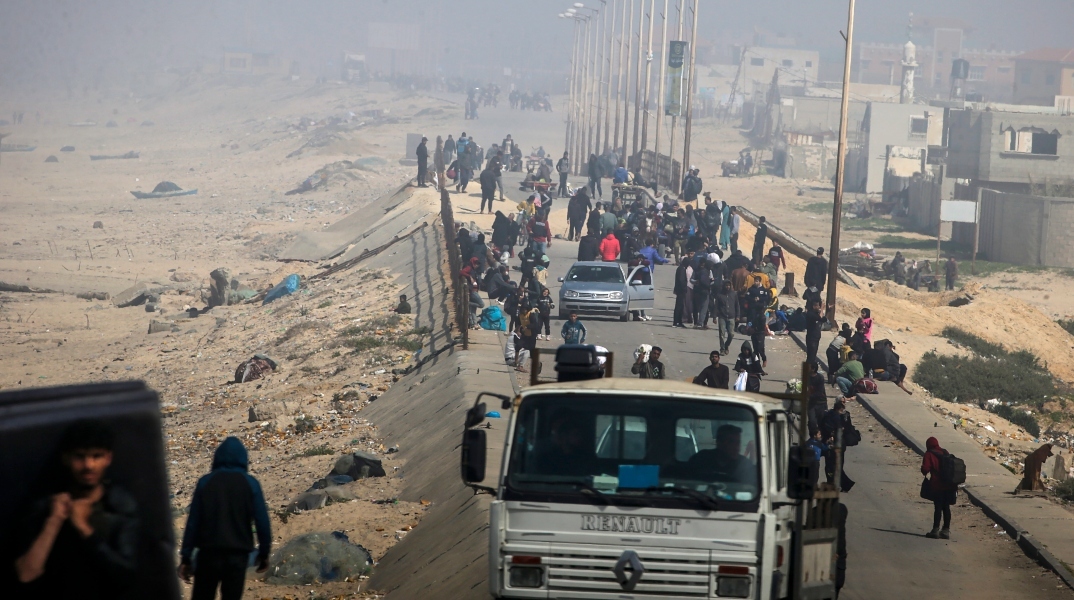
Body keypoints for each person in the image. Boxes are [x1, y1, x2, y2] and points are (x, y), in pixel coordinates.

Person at [13, 420, 138, 598]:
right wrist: (54, 521)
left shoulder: (120, 506)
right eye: (80, 457)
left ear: (108, 459)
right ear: (66, 458)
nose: (88, 465)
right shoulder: (45, 509)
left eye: (96, 456)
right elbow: (26, 574)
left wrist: (84, 529)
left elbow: (127, 576)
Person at [180, 437, 271, 600]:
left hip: (208, 554)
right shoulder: (250, 484)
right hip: (238, 556)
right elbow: (262, 522)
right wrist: (264, 554)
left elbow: (193, 522)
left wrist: (186, 557)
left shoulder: (205, 482)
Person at [921, 437, 957, 539]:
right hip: (949, 485)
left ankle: (935, 530)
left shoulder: (929, 454)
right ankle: (946, 530)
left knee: (938, 507)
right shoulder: (945, 452)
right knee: (946, 507)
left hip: (937, 485)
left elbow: (925, 469)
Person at [714, 280, 739, 355]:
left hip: (731, 317)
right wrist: (714, 317)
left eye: (728, 285)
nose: (727, 287)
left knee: (731, 334)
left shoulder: (734, 294)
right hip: (722, 317)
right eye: (726, 285)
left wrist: (738, 316)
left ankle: (726, 345)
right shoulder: (719, 295)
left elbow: (737, 305)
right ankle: (722, 349)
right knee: (722, 334)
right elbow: (716, 306)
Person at [806, 361, 828, 436]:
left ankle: (821, 437)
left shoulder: (820, 378)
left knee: (821, 422)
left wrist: (808, 396)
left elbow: (820, 392)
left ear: (813, 369)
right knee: (812, 422)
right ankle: (813, 437)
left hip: (821, 403)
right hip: (811, 404)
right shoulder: (806, 377)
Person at [692, 257, 714, 329]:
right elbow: (693, 280)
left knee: (701, 308)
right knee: (703, 308)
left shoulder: (705, 271)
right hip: (703, 292)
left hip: (698, 291)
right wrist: (709, 284)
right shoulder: (704, 271)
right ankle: (699, 323)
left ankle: (700, 323)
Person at [804, 300, 827, 364]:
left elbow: (823, 319)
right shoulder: (810, 314)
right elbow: (820, 318)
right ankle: (807, 369)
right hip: (812, 338)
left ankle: (809, 369)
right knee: (811, 357)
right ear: (814, 306)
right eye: (818, 306)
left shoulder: (815, 313)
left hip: (815, 337)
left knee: (812, 356)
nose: (819, 307)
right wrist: (822, 309)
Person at [673, 256, 690, 328]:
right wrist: (684, 288)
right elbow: (681, 280)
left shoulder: (681, 268)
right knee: (679, 306)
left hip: (680, 290)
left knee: (681, 306)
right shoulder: (681, 269)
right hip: (681, 291)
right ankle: (676, 322)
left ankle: (679, 321)